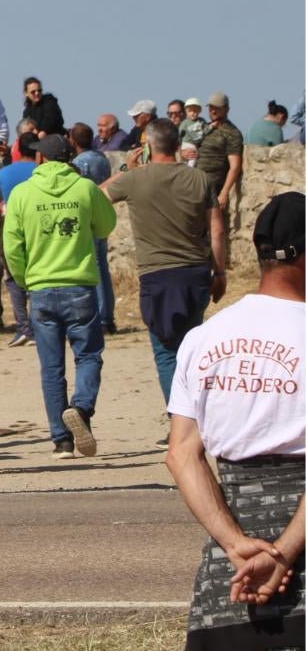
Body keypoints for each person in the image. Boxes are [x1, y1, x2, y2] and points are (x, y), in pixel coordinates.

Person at [166, 191, 304, 649]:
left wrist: (233, 543)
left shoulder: (204, 338)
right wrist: (283, 553)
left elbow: (182, 454)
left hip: (234, 562)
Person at [3, 133, 117, 459]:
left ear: (41, 159)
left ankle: (61, 440)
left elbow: (12, 244)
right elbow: (106, 225)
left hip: (40, 287)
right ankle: (81, 408)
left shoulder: (22, 193)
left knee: (51, 368)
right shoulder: (85, 188)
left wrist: (26, 280)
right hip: (79, 285)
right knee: (89, 355)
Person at [103, 119, 226, 404]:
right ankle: (200, 418)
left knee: (165, 353)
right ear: (177, 146)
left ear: (147, 146)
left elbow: (93, 196)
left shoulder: (134, 179)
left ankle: (181, 423)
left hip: (157, 276)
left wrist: (125, 170)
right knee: (192, 348)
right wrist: (219, 272)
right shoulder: (201, 179)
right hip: (196, 273)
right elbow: (217, 229)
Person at [70, 122, 118, 334]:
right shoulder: (101, 158)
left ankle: (100, 317)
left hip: (88, 219)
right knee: (103, 268)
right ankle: (108, 315)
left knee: (93, 269)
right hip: (102, 216)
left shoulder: (79, 162)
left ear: (73, 140)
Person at [196, 93, 246, 215]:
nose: (213, 111)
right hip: (195, 183)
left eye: (217, 107)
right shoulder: (204, 128)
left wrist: (224, 193)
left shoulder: (232, 133)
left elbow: (235, 166)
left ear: (226, 109)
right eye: (210, 107)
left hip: (212, 188)